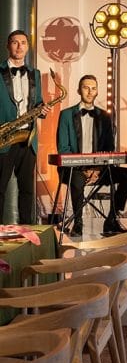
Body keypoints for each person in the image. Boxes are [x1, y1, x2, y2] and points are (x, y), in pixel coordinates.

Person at [56, 74, 127, 236]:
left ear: (97, 91)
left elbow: (109, 148)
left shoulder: (104, 116)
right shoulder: (66, 115)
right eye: (86, 88)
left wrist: (97, 169)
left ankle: (112, 220)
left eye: (93, 88)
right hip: (74, 169)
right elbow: (63, 149)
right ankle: (78, 223)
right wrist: (84, 169)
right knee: (77, 179)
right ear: (79, 90)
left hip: (99, 169)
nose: (90, 92)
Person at [0, 30, 49, 224]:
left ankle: (27, 231)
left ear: (28, 47)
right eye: (15, 42)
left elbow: (37, 101)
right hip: (5, 137)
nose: (19, 46)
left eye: (23, 43)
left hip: (28, 138)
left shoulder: (35, 74)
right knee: (0, 188)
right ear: (8, 46)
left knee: (27, 190)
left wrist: (42, 109)